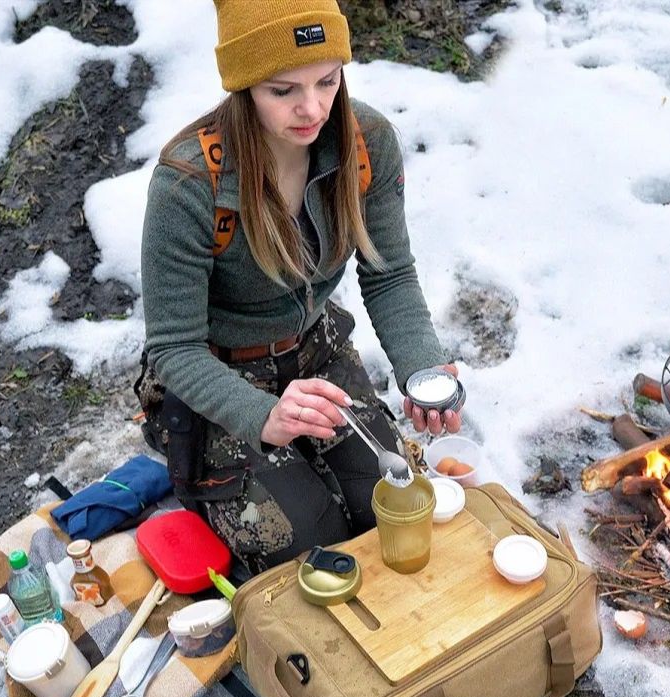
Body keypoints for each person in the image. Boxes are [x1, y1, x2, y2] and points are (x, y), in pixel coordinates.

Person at [134, 0, 464, 575]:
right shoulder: (188, 184)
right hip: (219, 374)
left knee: (387, 506)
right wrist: (263, 414)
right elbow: (174, 349)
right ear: (243, 88)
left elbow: (389, 272)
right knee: (315, 548)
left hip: (316, 351)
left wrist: (421, 368)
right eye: (282, 90)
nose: (311, 108)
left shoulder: (366, 143)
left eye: (327, 80)